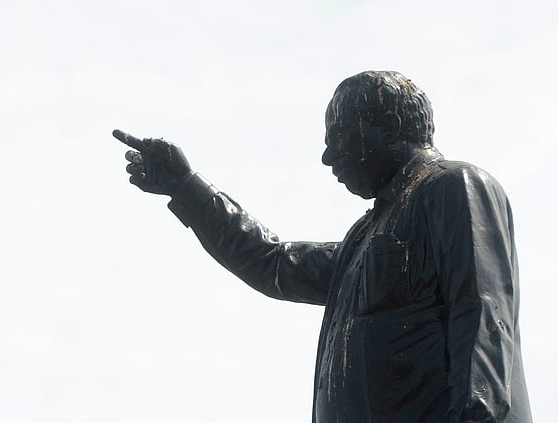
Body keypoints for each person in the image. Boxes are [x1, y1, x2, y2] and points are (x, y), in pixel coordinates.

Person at [114, 71, 532, 423]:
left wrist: (477, 413)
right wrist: (185, 187)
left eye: (340, 135)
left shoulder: (452, 185)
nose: (328, 156)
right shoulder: (361, 241)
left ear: (386, 127)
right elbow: (274, 263)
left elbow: (480, 307)